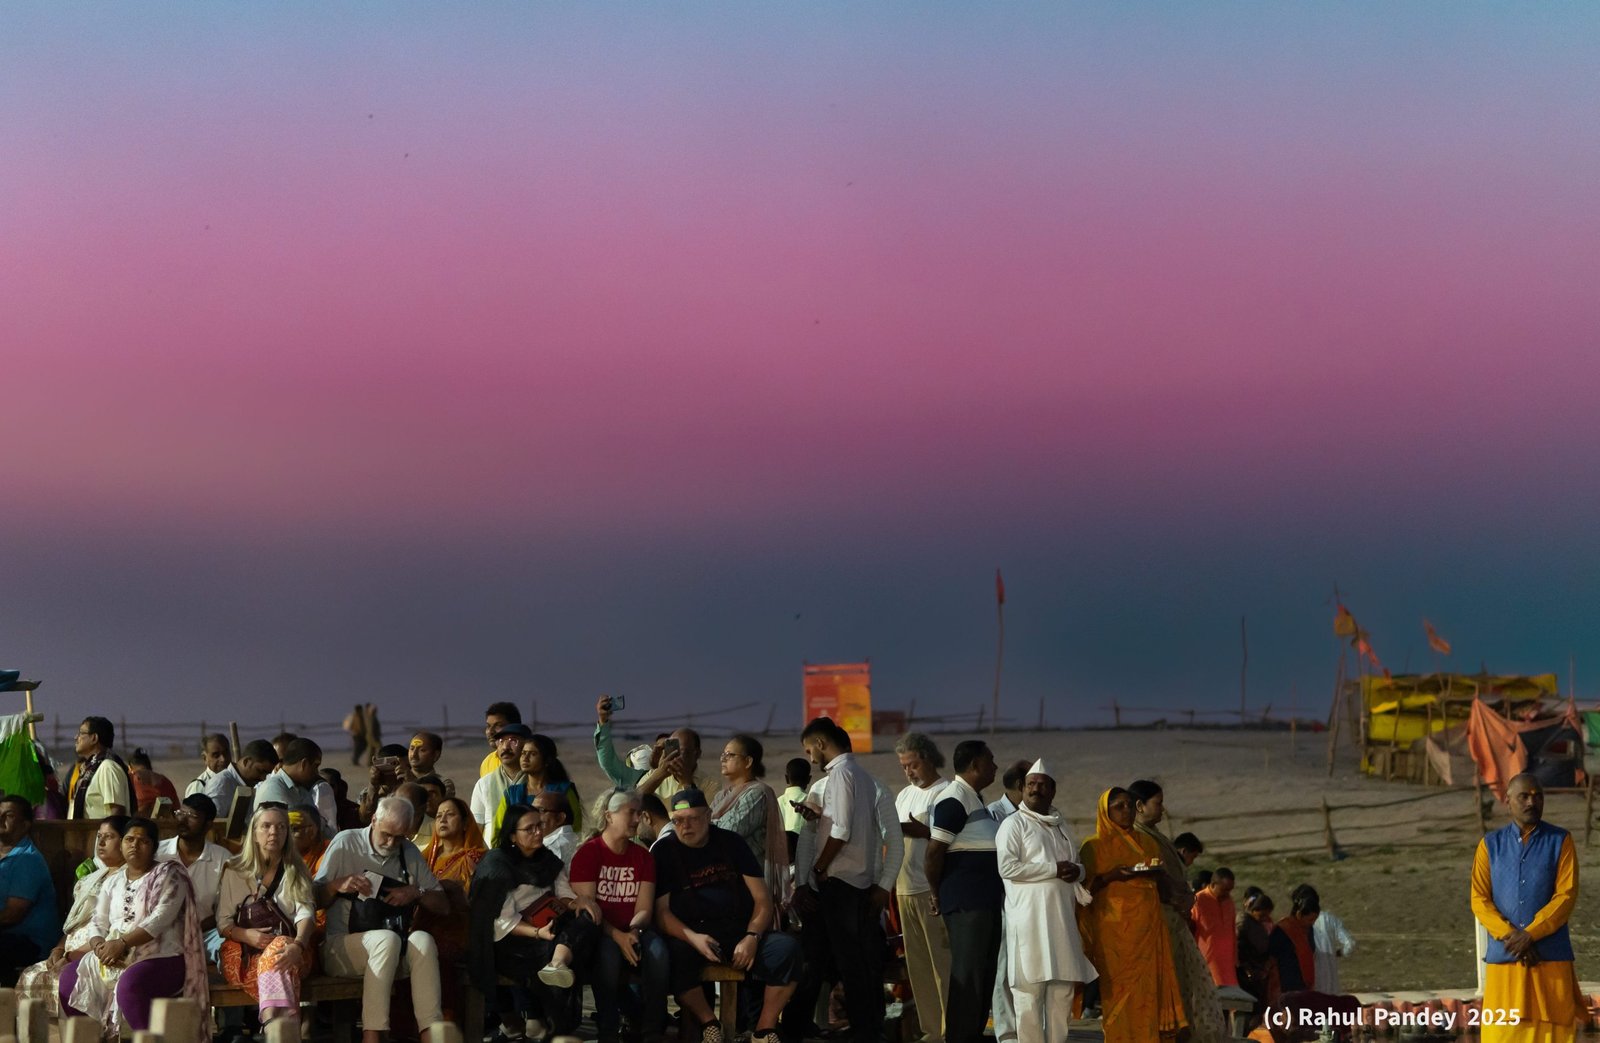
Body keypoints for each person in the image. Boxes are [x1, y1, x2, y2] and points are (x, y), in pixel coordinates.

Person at [653, 789, 801, 1043]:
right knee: (674, 955)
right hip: (692, 935)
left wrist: (752, 936)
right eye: (678, 820)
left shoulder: (731, 843)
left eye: (693, 818)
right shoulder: (664, 851)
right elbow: (662, 913)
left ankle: (764, 1029)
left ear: (709, 816)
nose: (685, 826)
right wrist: (693, 938)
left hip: (737, 931)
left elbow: (762, 900)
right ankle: (709, 1023)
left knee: (788, 949)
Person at [60, 817, 209, 1041]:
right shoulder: (114, 881)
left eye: (143, 841)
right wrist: (99, 945)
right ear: (121, 844)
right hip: (112, 953)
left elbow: (159, 919)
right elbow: (98, 921)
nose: (134, 845)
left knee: (130, 986)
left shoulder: (170, 875)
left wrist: (121, 944)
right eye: (129, 839)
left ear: (154, 847)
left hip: (162, 956)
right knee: (70, 978)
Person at [315, 795, 449, 1043]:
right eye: (387, 834)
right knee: (386, 940)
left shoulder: (407, 852)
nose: (391, 842)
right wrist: (337, 885)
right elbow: (313, 899)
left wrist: (415, 893)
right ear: (374, 820)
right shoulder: (346, 843)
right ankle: (373, 1034)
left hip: (391, 949)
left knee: (423, 940)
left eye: (399, 837)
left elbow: (442, 905)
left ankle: (430, 1032)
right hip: (341, 949)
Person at [468, 803, 597, 1042]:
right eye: (529, 828)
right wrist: (537, 932)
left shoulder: (547, 858)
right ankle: (554, 1026)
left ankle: (557, 965)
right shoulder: (497, 864)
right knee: (557, 950)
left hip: (551, 928)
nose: (538, 832)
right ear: (512, 835)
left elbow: (562, 892)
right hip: (513, 940)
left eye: (540, 826)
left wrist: (576, 902)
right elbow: (501, 923)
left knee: (587, 919)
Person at [1471, 773, 1582, 1043]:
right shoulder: (1490, 846)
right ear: (1508, 801)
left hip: (1550, 959)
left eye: (1538, 795)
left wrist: (1530, 935)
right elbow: (1479, 899)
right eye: (1524, 796)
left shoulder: (1561, 841)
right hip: (1505, 960)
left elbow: (1565, 897)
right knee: (1502, 1032)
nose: (1532, 801)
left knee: (1554, 1032)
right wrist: (1513, 939)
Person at [995, 760, 1094, 1043]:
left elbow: (1075, 864)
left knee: (1062, 992)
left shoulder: (1061, 826)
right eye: (1030, 785)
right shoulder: (1013, 825)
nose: (1035, 789)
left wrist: (1080, 871)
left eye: (1041, 785)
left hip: (1061, 922)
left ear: (1052, 790)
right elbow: (1007, 868)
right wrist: (1052, 869)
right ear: (1022, 789)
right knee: (1029, 994)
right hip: (1028, 924)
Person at [1078, 788, 1186, 1043]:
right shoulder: (1092, 847)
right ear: (1105, 812)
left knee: (1148, 991)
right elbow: (1083, 892)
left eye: (1129, 805)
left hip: (1148, 926)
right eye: (1118, 806)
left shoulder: (1148, 842)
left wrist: (1158, 875)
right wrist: (1110, 876)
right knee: (1119, 993)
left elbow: (1157, 877)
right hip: (1114, 932)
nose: (1126, 811)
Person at [569, 789, 670, 1043]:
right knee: (607, 955)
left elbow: (644, 908)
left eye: (639, 813)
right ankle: (608, 1029)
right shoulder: (588, 853)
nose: (637, 819)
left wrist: (633, 932)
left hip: (634, 930)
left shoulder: (643, 857)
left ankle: (652, 1029)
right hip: (601, 931)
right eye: (630, 813)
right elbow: (589, 910)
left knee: (658, 952)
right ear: (609, 816)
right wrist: (618, 936)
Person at [1130, 779, 1226, 1043]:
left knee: (1182, 987)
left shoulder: (1154, 835)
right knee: (1165, 989)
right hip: (1159, 923)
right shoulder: (1137, 837)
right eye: (1157, 803)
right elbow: (1151, 881)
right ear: (1139, 805)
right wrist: (1178, 897)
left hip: (1174, 923)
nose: (1162, 809)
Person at [925, 739, 1003, 1043]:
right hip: (967, 903)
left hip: (984, 901)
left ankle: (973, 1032)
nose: (995, 766)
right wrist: (935, 892)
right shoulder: (954, 799)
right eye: (991, 760)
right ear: (975, 765)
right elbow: (933, 852)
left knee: (984, 971)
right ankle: (959, 1036)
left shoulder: (975, 799)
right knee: (967, 973)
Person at [217, 805, 317, 1028]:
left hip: (293, 953)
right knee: (280, 969)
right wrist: (246, 935)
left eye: (281, 827)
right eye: (266, 826)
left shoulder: (296, 869)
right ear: (254, 833)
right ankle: (282, 1029)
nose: (274, 832)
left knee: (280, 947)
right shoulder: (234, 870)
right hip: (244, 955)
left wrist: (298, 945)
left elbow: (306, 914)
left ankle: (272, 1023)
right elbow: (222, 922)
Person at [17, 816, 128, 1012]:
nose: (100, 843)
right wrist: (58, 950)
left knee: (60, 980)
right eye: (99, 836)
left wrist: (70, 957)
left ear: (125, 841)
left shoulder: (128, 880)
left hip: (96, 953)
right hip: (69, 949)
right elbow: (74, 924)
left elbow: (112, 930)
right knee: (30, 975)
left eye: (109, 837)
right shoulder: (92, 878)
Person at [893, 732, 951, 1043]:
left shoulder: (947, 793)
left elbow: (953, 842)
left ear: (928, 759)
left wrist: (923, 831)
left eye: (912, 765)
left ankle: (949, 1028)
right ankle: (931, 1031)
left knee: (942, 964)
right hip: (904, 889)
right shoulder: (903, 796)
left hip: (930, 889)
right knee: (918, 968)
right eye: (904, 767)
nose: (909, 772)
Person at [711, 734, 790, 906]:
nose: (723, 759)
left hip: (750, 881)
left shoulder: (757, 793)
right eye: (723, 755)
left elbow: (729, 831)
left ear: (748, 762)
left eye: (730, 755)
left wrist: (706, 825)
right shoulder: (721, 796)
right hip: (725, 877)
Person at [156, 793, 231, 956]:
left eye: (192, 816)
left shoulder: (222, 858)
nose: (183, 820)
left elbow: (225, 910)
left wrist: (193, 928)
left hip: (204, 934)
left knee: (229, 947)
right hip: (159, 933)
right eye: (181, 813)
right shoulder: (158, 853)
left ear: (207, 825)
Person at [0, 796, 60, 986]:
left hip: (31, 941)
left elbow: (12, 915)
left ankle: (6, 1008)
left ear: (25, 825)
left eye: (8, 815)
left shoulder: (28, 859)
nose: (0, 819)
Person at [418, 796, 487, 961]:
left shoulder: (475, 858)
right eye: (439, 816)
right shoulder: (426, 859)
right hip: (424, 927)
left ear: (465, 824)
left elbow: (477, 901)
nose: (443, 819)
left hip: (459, 930)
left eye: (450, 814)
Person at [473, 722, 530, 847]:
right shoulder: (484, 784)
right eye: (501, 741)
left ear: (527, 747)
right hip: (493, 854)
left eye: (513, 741)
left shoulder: (536, 783)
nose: (505, 747)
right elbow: (476, 829)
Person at [68, 716, 133, 819]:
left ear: (94, 738)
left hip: (100, 834)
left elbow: (117, 812)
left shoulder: (108, 768)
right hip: (86, 834)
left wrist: (107, 834)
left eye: (81, 733)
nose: (76, 737)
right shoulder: (87, 770)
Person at [1297, 884, 1354, 994]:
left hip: (1313, 982)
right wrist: (1338, 953)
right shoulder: (1330, 919)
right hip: (1332, 983)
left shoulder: (1298, 922)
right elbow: (1350, 944)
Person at [205, 739, 278, 823]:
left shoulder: (248, 786)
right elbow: (214, 825)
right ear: (246, 762)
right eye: (260, 771)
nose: (263, 778)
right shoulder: (221, 783)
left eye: (267, 774)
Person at [256, 738, 327, 825]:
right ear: (304, 764)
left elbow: (316, 822)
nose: (316, 772)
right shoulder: (273, 787)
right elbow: (295, 825)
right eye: (315, 766)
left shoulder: (301, 790)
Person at [1191, 867, 1239, 987]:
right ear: (1213, 884)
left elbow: (1232, 931)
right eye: (1224, 890)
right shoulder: (1198, 900)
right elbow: (1190, 930)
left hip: (1228, 963)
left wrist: (1235, 957)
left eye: (1230, 890)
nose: (1228, 893)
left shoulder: (1229, 902)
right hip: (1206, 962)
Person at [1267, 889, 1318, 992]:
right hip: (1285, 984)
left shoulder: (1308, 930)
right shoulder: (1283, 929)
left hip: (1303, 985)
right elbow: (1272, 956)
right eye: (1310, 919)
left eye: (1314, 920)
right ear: (1299, 914)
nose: (1312, 923)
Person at [1236, 891, 1277, 1013]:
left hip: (1258, 972)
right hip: (1246, 972)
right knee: (1248, 1007)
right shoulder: (1244, 922)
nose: (1264, 918)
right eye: (1262, 915)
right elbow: (1240, 946)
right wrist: (1246, 968)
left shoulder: (1257, 925)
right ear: (1255, 910)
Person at [533, 786, 581, 865]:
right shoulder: (578, 840)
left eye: (540, 810)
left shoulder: (552, 848)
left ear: (560, 818)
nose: (532, 816)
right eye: (532, 810)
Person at [128, 749, 180, 818]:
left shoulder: (131, 778)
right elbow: (176, 809)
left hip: (138, 823)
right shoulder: (165, 781)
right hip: (164, 824)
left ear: (130, 767)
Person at [482, 702, 523, 778]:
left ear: (515, 728)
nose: (490, 732)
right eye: (488, 726)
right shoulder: (487, 762)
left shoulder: (527, 760)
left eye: (498, 725)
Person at [781, 758, 810, 860]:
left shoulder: (776, 801)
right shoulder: (810, 802)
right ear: (809, 779)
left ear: (786, 778)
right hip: (803, 856)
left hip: (781, 857)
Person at [186, 734, 232, 798]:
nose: (223, 759)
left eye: (225, 753)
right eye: (216, 755)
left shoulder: (236, 781)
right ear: (205, 758)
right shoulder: (199, 786)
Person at [409, 732, 453, 796]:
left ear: (436, 755)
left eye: (422, 750)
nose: (413, 755)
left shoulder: (444, 783)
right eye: (412, 749)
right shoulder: (398, 778)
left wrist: (411, 783)